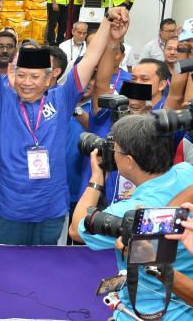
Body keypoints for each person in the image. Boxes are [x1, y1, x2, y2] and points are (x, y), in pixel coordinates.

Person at [0, 0, 125, 246]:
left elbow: (90, 59)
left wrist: (108, 22)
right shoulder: (1, 99)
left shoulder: (61, 98)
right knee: (5, 266)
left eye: (34, 77)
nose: (26, 82)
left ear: (49, 78)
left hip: (50, 208)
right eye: (21, 75)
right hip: (9, 207)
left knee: (45, 265)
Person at [70, 115, 193, 319]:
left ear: (128, 161)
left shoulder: (128, 214)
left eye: (115, 149)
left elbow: (76, 230)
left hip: (145, 313)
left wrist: (96, 178)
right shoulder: (187, 171)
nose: (112, 153)